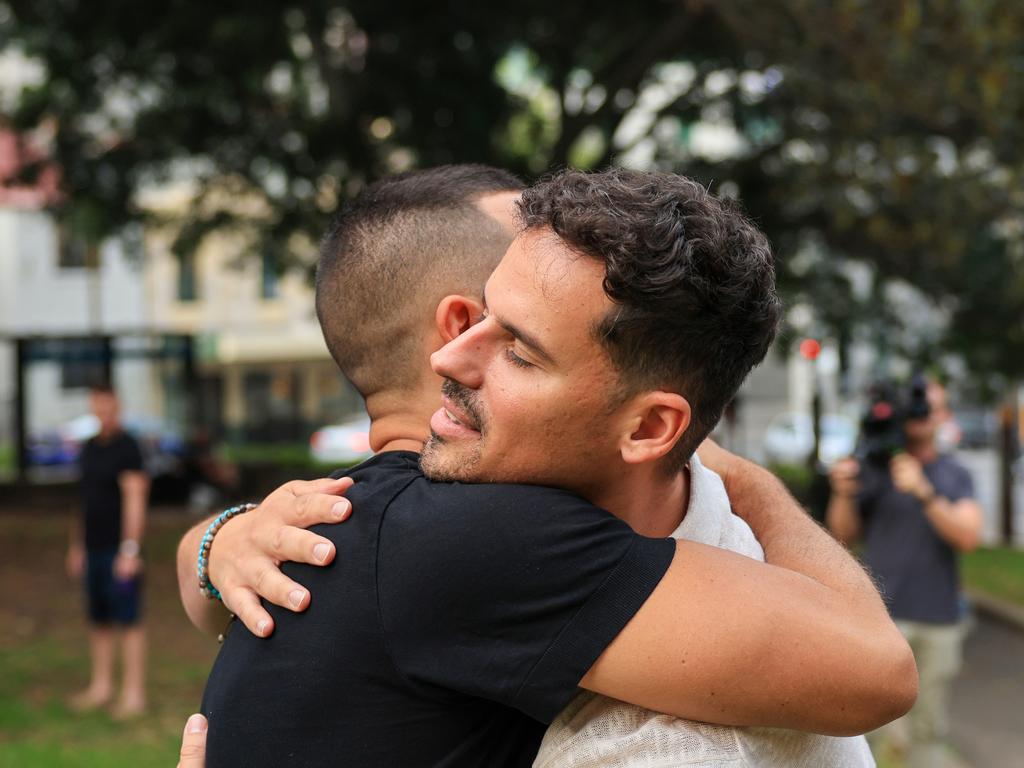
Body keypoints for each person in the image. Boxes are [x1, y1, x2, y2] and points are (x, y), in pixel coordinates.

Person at [183, 167, 914, 767]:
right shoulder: (480, 535)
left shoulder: (338, 518)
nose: (453, 358)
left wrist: (215, 541)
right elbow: (874, 669)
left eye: (522, 345)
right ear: (456, 313)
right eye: (487, 317)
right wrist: (739, 475)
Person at [827, 378, 983, 768]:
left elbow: (968, 536)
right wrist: (844, 491)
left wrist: (924, 492)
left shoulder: (954, 474)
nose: (920, 415)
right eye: (915, 407)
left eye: (930, 408)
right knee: (866, 727)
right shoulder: (874, 467)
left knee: (927, 728)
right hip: (879, 617)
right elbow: (842, 536)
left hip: (936, 618)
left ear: (943, 416)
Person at [66, 384, 150, 717]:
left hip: (120, 553)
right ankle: (101, 687)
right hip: (93, 549)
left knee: (128, 621)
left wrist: (129, 550)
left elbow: (135, 499)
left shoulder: (128, 447)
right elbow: (83, 501)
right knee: (98, 619)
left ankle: (133, 694)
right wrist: (76, 545)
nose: (103, 412)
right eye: (96, 406)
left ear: (117, 406)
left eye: (108, 406)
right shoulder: (88, 448)